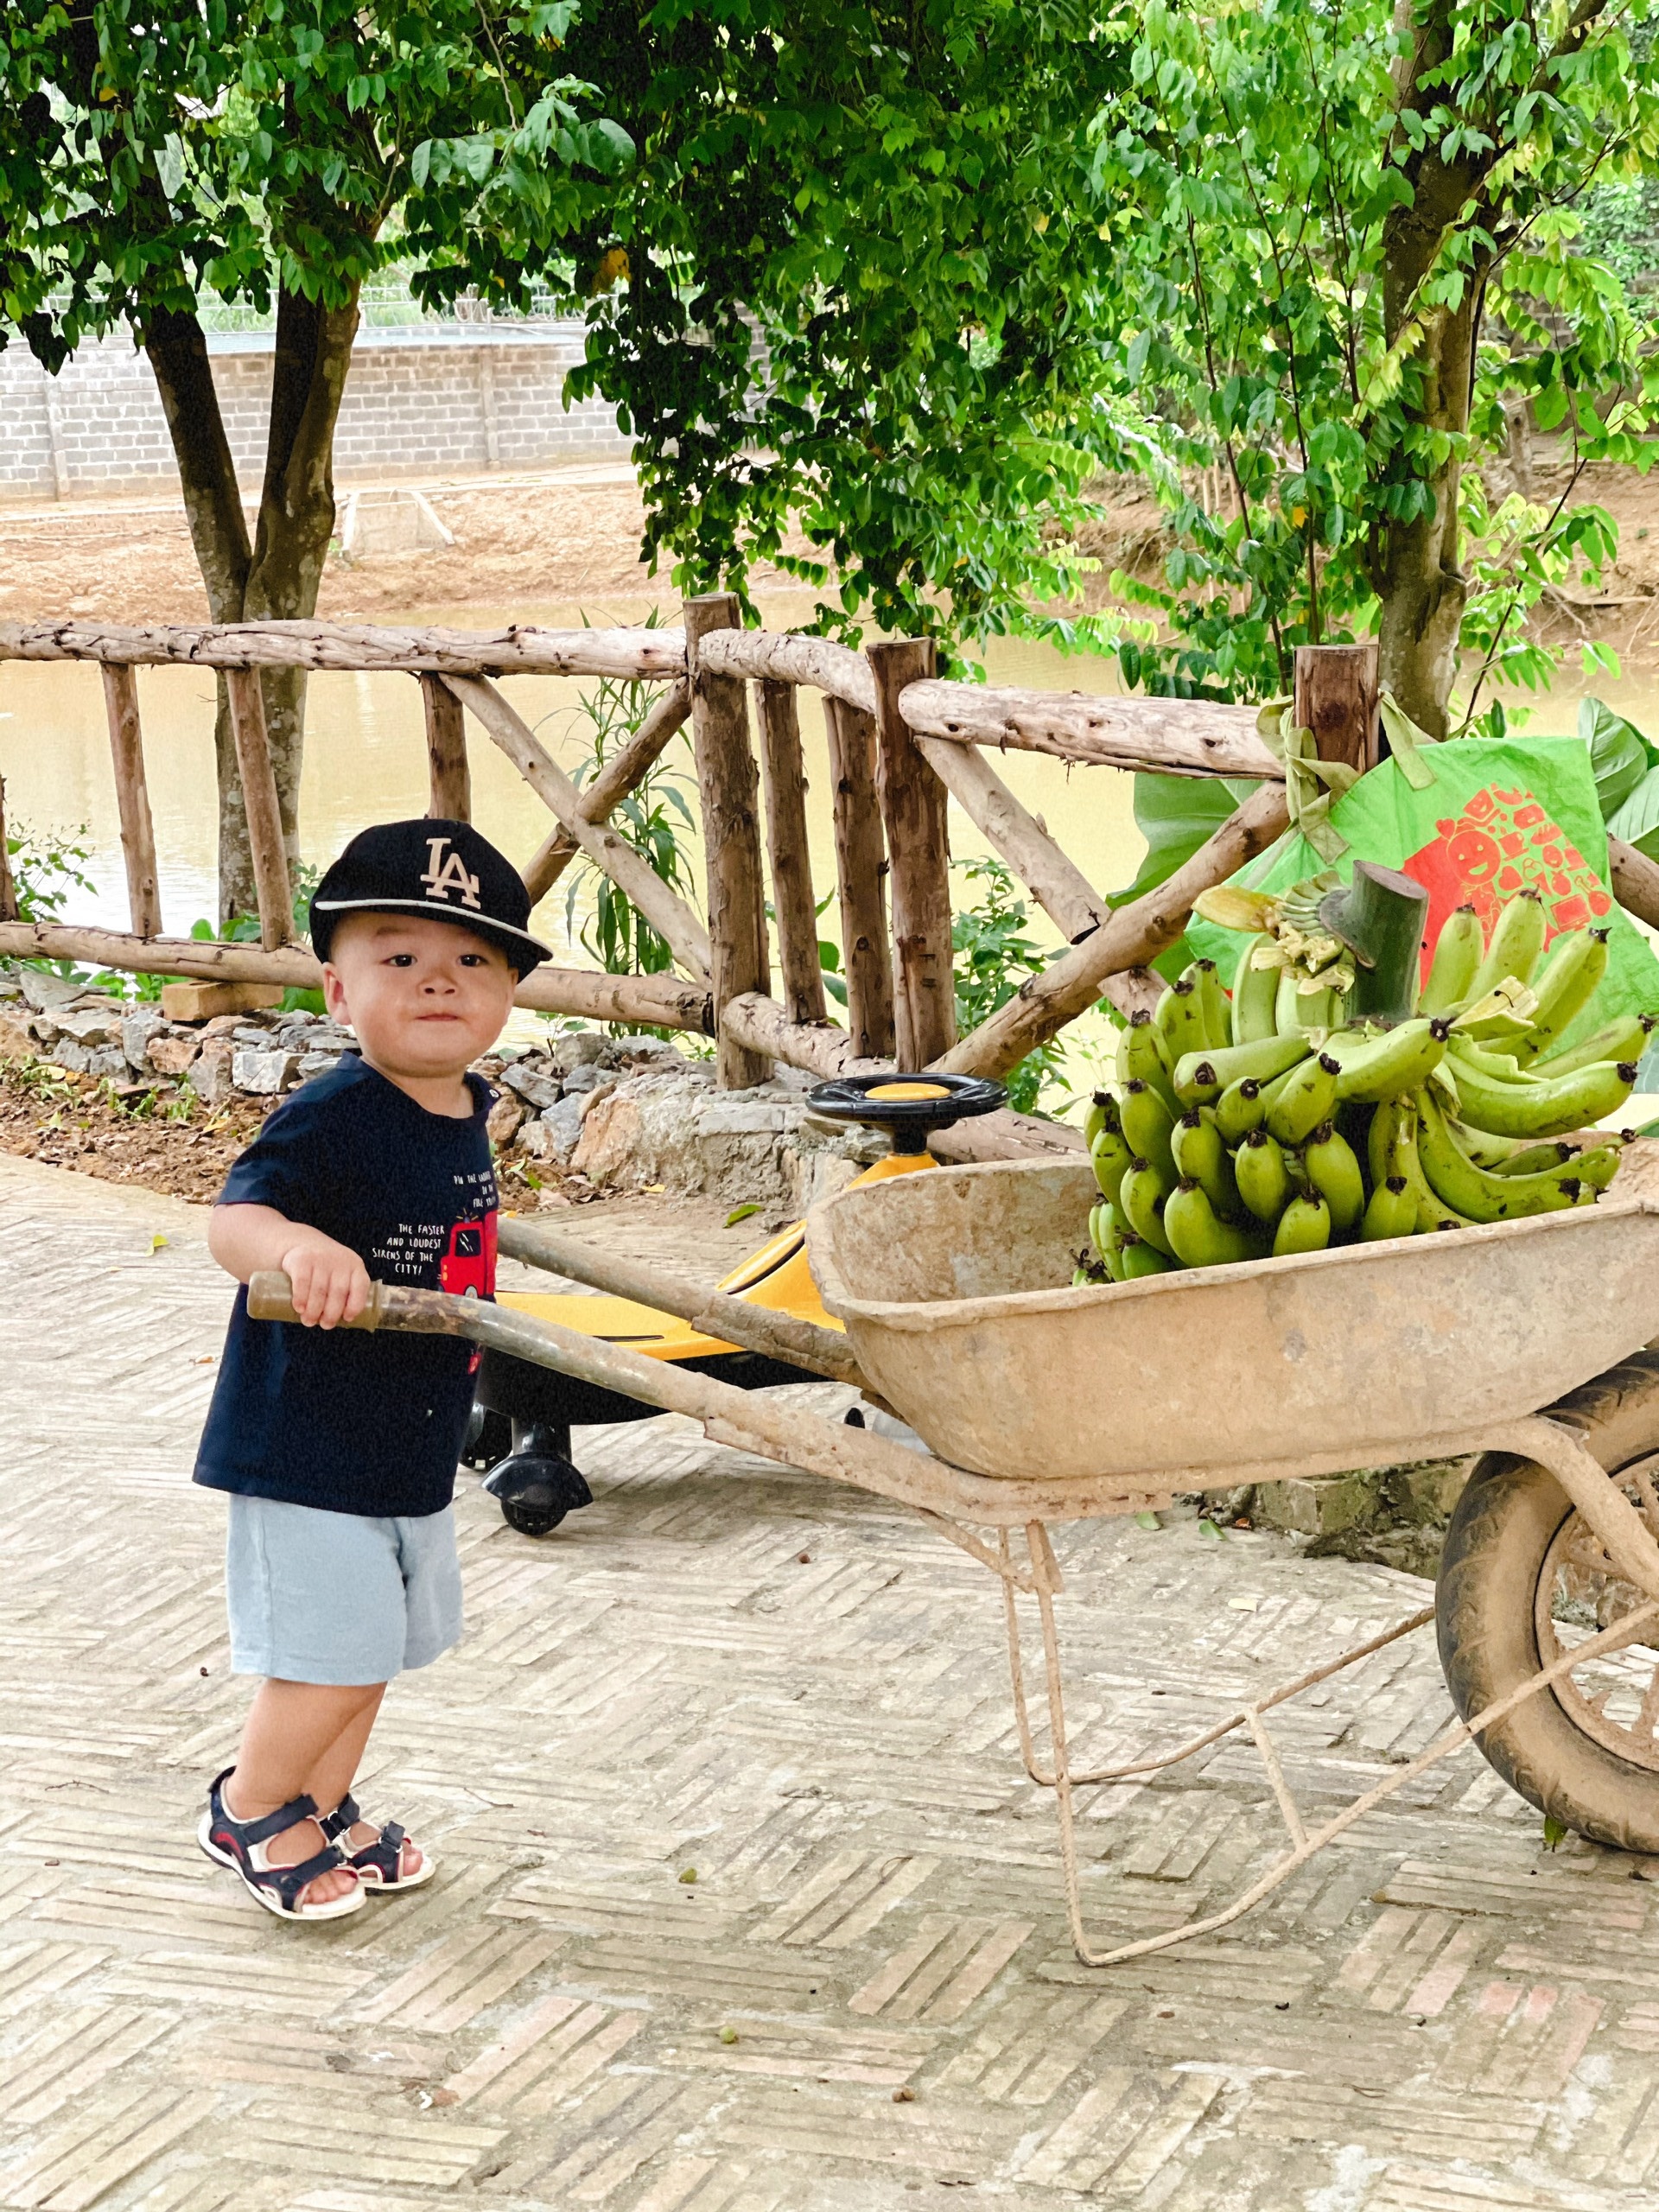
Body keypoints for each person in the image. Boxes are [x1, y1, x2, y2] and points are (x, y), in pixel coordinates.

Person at [192, 818, 549, 1918]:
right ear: (340, 995)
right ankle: (252, 1806)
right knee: (329, 1654)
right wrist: (297, 1246)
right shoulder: (337, 1111)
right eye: (400, 956)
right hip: (309, 1443)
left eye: (471, 959)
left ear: (507, 994)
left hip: (409, 1437)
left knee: (378, 1645)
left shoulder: (463, 1106)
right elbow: (235, 1220)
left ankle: (320, 1799)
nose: (439, 980)